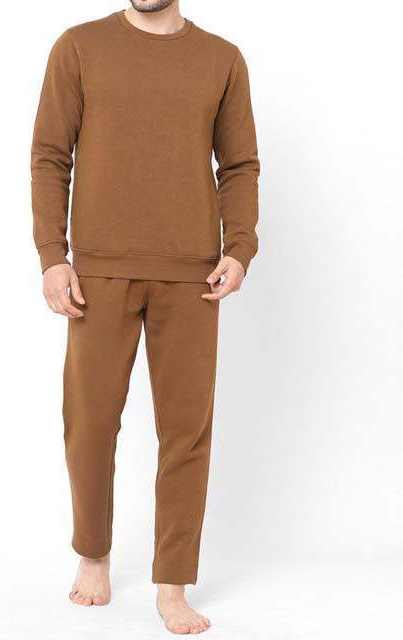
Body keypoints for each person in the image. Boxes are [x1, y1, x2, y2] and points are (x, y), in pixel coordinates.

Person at [31, 0, 259, 634]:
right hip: (98, 270)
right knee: (89, 422)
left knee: (186, 431)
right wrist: (53, 255)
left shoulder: (222, 59)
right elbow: (50, 154)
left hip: (193, 275)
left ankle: (172, 582)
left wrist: (239, 246)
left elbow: (239, 164)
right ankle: (93, 553)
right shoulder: (79, 46)